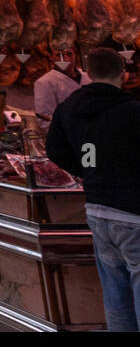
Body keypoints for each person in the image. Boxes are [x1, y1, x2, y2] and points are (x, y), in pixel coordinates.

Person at [46, 47, 140, 331]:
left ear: (89, 73)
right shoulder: (132, 110)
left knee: (115, 294)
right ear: (122, 74)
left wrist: (88, 171)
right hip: (133, 213)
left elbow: (54, 150)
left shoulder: (69, 108)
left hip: (98, 212)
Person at [35, 53, 91, 124]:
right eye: (59, 55)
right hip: (67, 132)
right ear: (51, 57)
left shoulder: (88, 76)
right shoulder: (44, 82)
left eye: (69, 54)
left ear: (75, 54)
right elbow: (45, 119)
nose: (66, 59)